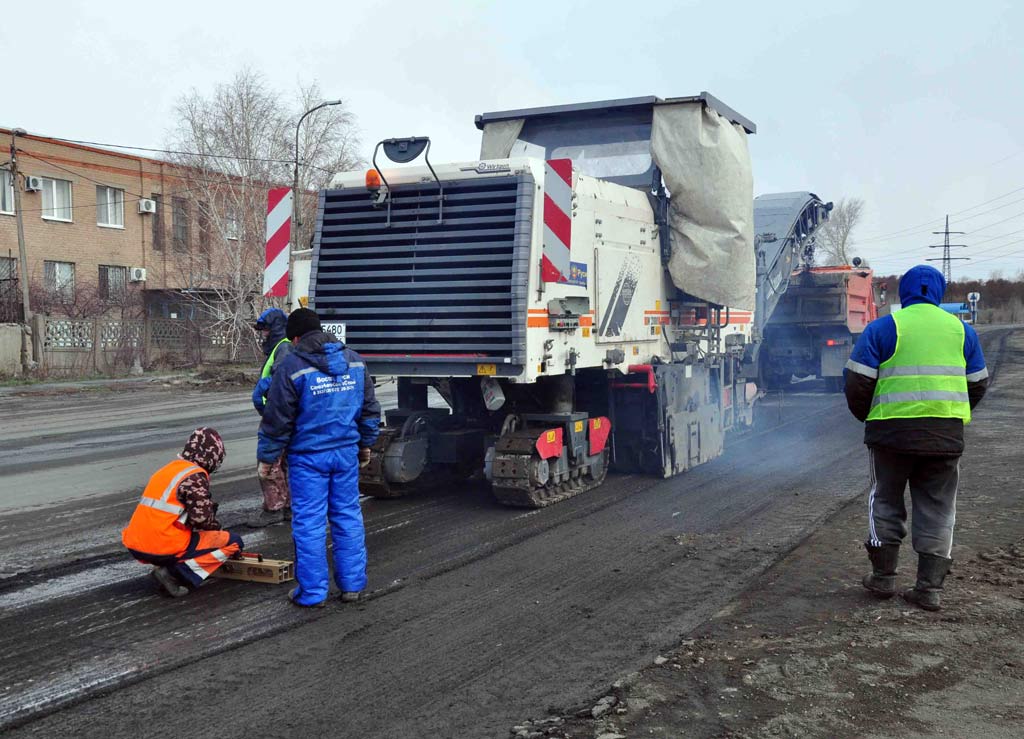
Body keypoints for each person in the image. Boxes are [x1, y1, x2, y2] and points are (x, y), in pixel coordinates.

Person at [845, 265, 988, 611]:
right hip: (944, 437)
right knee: (938, 508)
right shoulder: (962, 331)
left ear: (903, 293)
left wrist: (870, 417)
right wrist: (951, 414)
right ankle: (928, 588)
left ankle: (883, 578)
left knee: (885, 500)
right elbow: (979, 382)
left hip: (891, 435)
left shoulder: (882, 328)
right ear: (939, 293)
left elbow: (857, 381)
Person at [258, 308, 380, 607]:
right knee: (348, 517)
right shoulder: (354, 361)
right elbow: (369, 410)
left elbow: (277, 419)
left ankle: (312, 593)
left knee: (310, 524)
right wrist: (365, 444)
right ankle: (352, 587)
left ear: (296, 337)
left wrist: (267, 458)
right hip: (346, 455)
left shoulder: (292, 366)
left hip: (308, 460)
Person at [122, 427, 243, 598]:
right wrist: (218, 533)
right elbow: (203, 520)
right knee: (234, 542)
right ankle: (173, 573)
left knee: (194, 537)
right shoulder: (194, 476)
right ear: (212, 456)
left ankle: (169, 566)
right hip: (162, 545)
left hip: (136, 543)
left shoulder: (167, 470)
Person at [248, 307, 294, 528]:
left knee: (269, 462)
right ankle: (287, 507)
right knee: (284, 462)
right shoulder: (280, 346)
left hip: (276, 415)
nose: (263, 334)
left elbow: (279, 383)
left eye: (265, 329)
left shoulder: (283, 348)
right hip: (280, 414)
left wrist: (261, 397)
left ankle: (275, 508)